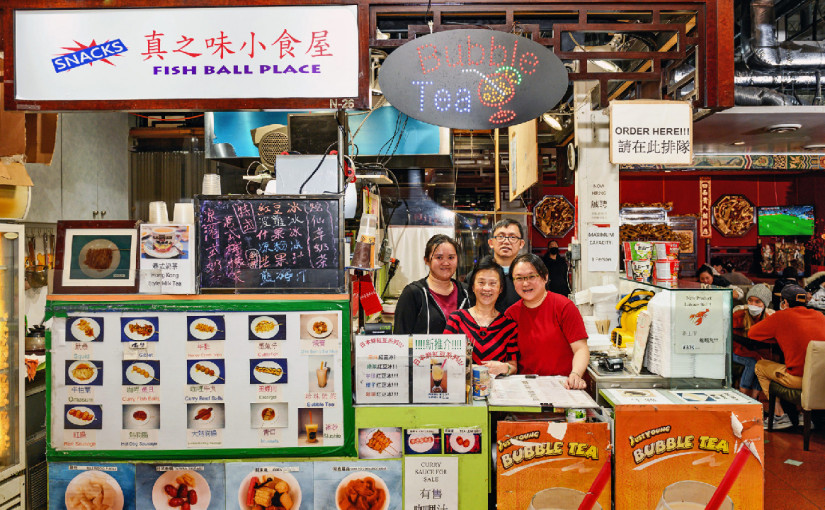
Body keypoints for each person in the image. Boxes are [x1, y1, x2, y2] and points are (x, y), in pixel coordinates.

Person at [505, 253, 589, 389]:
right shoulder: (511, 314)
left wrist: (576, 374)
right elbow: (511, 359)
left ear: (545, 277)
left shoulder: (564, 306)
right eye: (519, 278)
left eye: (532, 276)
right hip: (527, 388)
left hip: (564, 386)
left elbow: (580, 348)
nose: (525, 283)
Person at [749, 284, 825, 430]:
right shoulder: (820, 316)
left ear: (785, 302)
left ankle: (779, 416)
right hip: (820, 379)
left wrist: (779, 336)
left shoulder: (780, 316)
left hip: (797, 380)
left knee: (760, 366)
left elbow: (752, 333)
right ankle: (804, 415)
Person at [444, 258, 518, 377]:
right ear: (473, 287)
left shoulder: (509, 325)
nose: (487, 288)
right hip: (463, 389)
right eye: (481, 282)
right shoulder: (457, 319)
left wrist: (505, 367)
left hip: (496, 391)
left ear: (500, 289)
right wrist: (473, 368)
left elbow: (513, 366)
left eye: (493, 283)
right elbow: (443, 359)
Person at [394, 234, 470, 334]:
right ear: (427, 261)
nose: (446, 263)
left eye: (451, 257)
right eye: (439, 257)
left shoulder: (467, 292)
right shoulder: (413, 293)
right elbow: (401, 338)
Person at [467, 219, 524, 312]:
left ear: (521, 244)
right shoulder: (476, 276)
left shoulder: (528, 278)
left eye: (512, 237)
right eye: (501, 236)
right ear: (491, 243)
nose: (506, 241)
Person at [731, 284, 774, 399]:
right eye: (750, 301)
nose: (753, 305)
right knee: (753, 362)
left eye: (757, 302)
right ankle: (743, 395)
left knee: (764, 365)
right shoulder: (738, 315)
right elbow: (733, 342)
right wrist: (755, 355)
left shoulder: (769, 319)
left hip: (754, 352)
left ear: (764, 304)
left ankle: (755, 398)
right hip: (735, 351)